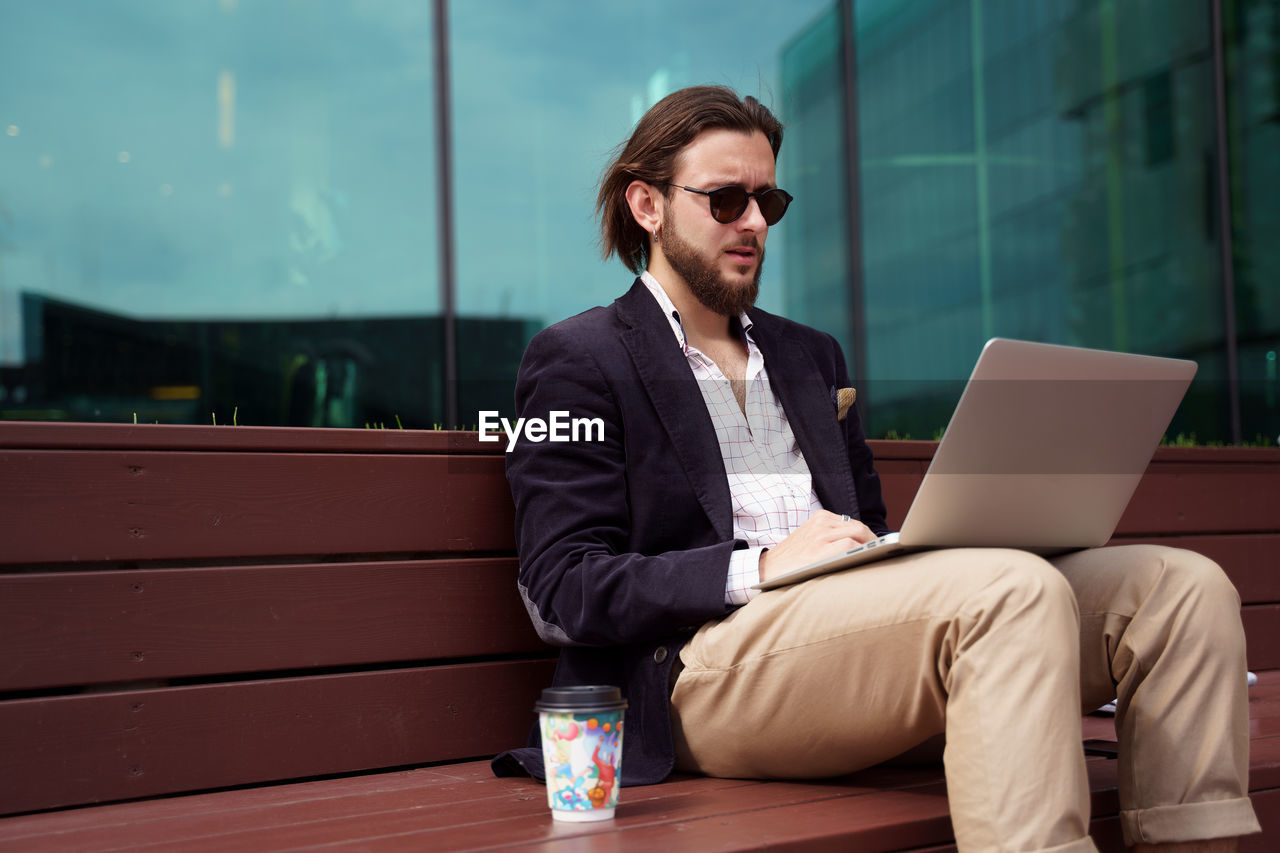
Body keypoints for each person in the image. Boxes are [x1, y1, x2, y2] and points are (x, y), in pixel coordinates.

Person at [491, 85, 1260, 851]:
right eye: (726, 200)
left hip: (847, 645)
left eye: (769, 201)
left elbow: (868, 528)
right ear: (647, 207)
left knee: (1180, 588)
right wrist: (755, 567)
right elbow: (561, 588)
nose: (754, 222)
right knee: (1009, 591)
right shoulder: (581, 358)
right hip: (698, 669)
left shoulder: (807, 356)